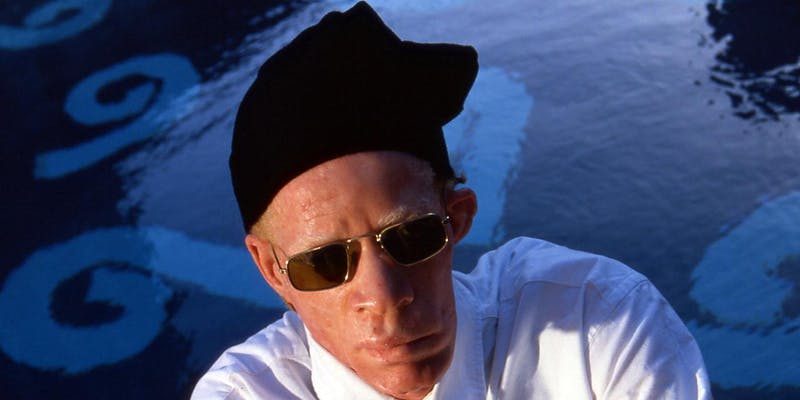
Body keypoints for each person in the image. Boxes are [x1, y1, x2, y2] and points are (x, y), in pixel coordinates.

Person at [192, 2, 710, 399]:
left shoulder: (596, 323)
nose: (384, 295)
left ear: (456, 218)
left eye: (410, 237)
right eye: (324, 263)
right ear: (272, 270)